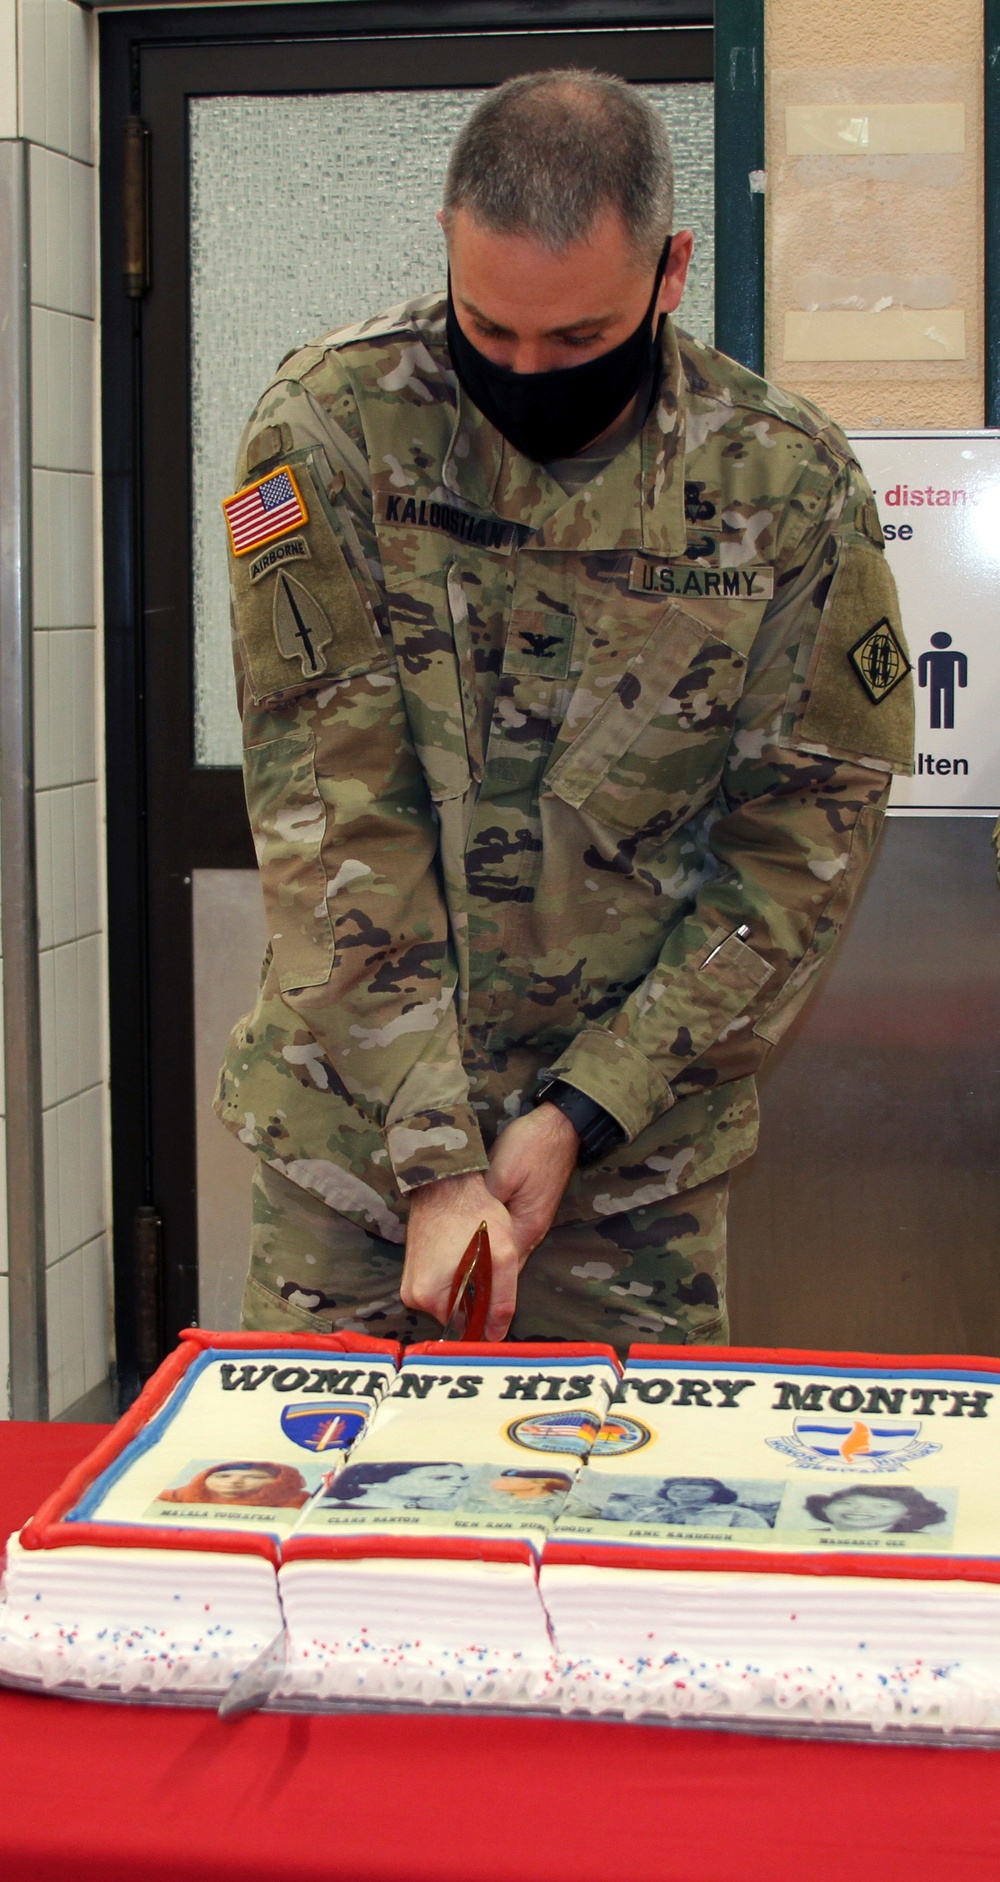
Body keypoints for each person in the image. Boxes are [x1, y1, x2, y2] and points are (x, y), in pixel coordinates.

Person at [217, 71, 913, 1353]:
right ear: (445, 242)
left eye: (579, 339)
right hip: (358, 1155)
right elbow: (331, 816)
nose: (527, 371)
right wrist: (436, 1158)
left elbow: (797, 852)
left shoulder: (787, 484)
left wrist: (583, 1109)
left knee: (607, 1531)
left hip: (628, 1174)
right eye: (491, 330)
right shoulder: (325, 429)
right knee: (330, 1519)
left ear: (669, 271)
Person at [600, 1475, 771, 1528]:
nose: (684, 1493)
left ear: (715, 1494)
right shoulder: (651, 1512)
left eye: (695, 1490)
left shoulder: (738, 1514)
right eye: (677, 1490)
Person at [803, 1485, 948, 1535]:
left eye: (883, 1506)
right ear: (824, 1507)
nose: (859, 1510)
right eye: (847, 1503)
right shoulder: (805, 1537)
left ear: (908, 1514)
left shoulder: (923, 1543)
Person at [323, 1461, 471, 1510]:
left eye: (462, 1479)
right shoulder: (328, 1511)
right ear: (371, 1482)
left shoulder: (429, 1513)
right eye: (439, 1477)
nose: (459, 1484)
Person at [159, 1461, 309, 1508]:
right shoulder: (185, 1495)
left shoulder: (302, 1502)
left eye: (254, 1477)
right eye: (223, 1476)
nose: (234, 1481)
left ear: (279, 1483)